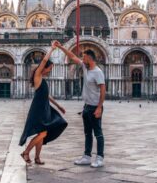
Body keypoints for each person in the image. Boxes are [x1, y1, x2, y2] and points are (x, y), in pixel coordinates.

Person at [53, 40, 106, 168]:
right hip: (87, 107)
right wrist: (61, 47)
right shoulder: (84, 67)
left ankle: (99, 158)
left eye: (84, 57)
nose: (82, 59)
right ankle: (87, 156)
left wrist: (99, 108)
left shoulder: (98, 72)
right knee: (87, 133)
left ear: (89, 58)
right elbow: (72, 56)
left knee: (98, 133)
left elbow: (103, 90)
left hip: (95, 107)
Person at [19, 44, 67, 165]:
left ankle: (37, 158)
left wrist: (58, 106)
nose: (50, 70)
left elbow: (47, 95)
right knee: (43, 133)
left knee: (42, 133)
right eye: (49, 68)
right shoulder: (38, 76)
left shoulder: (43, 80)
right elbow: (45, 60)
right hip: (38, 108)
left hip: (44, 108)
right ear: (44, 68)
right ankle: (26, 152)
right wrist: (52, 48)